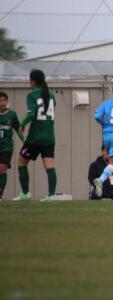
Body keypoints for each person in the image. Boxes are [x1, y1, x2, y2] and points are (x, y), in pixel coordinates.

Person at [14, 69, 57, 201]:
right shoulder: (51, 96)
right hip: (49, 137)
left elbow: (32, 113)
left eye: (30, 80)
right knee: (49, 166)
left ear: (33, 81)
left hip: (35, 138)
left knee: (21, 162)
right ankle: (51, 195)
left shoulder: (32, 95)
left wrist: (22, 124)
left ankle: (26, 193)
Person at [0, 92, 24, 201]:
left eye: (4, 100)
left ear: (7, 101)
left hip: (6, 147)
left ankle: (0, 194)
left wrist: (25, 141)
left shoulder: (12, 115)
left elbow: (18, 129)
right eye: (0, 101)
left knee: (2, 169)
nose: (2, 103)